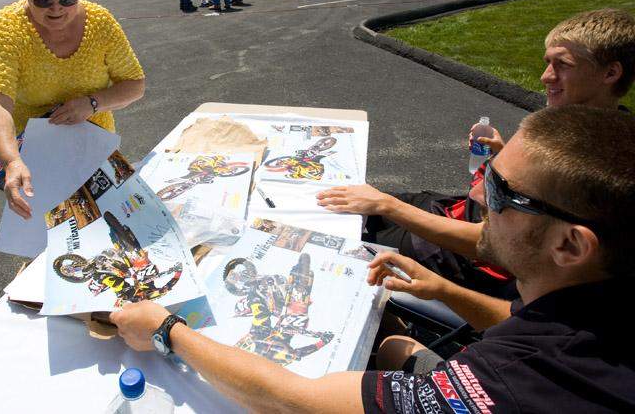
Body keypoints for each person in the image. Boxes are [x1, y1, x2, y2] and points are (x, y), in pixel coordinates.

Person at [109, 105, 635, 413]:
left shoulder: (513, 379)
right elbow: (530, 325)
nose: (477, 195)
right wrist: (447, 291)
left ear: (570, 245)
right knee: (396, 345)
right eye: (487, 173)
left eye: (500, 192)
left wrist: (166, 330)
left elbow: (299, 399)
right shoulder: (594, 293)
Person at [316, 8, 635, 295]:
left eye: (562, 65)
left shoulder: (594, 164)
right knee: (347, 202)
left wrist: (388, 206)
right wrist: (501, 153)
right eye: (547, 63)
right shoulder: (590, 129)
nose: (546, 77)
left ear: (610, 74)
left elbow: (492, 244)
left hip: (464, 252)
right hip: (454, 210)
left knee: (336, 239)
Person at [0, 0, 146, 220]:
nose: (56, 9)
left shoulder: (100, 22)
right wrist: (12, 160)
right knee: (48, 235)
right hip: (36, 156)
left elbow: (135, 85)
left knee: (112, 225)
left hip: (96, 148)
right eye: (42, 1)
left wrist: (92, 103)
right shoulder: (6, 27)